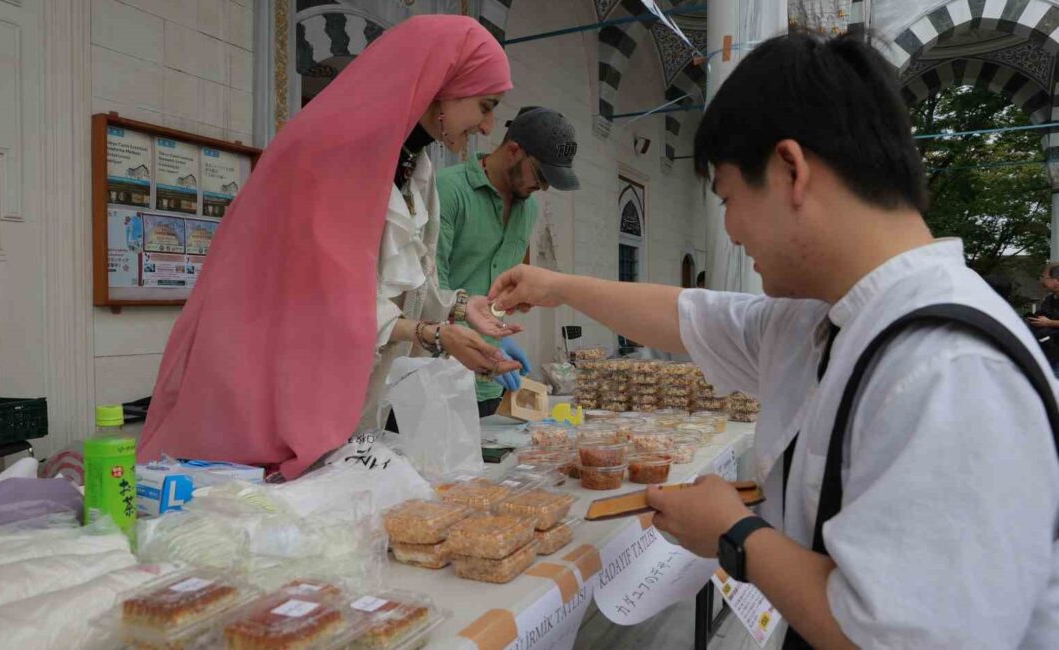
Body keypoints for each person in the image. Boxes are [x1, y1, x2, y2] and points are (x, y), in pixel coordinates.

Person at [488, 31, 1059, 648]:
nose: (729, 231)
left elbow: (903, 637)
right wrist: (559, 286)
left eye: (730, 199)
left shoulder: (950, 371)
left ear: (791, 170)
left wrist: (736, 536)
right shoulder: (829, 319)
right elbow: (689, 315)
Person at [139, 15, 523, 480]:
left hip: (349, 408)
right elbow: (322, 296)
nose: (487, 126)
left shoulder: (413, 168)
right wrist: (432, 335)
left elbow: (398, 283)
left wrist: (461, 308)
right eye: (485, 105)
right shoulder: (327, 152)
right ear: (443, 84)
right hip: (272, 401)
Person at [436, 106, 580, 415]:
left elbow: (496, 290)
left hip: (491, 377)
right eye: (541, 176)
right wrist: (477, 341)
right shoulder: (449, 190)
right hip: (437, 379)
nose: (542, 188)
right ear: (514, 150)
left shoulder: (527, 209)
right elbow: (430, 288)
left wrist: (516, 300)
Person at [1027, 263, 1059, 375]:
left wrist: (1049, 323)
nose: (1042, 282)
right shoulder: (1049, 299)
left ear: (1056, 280)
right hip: (1049, 352)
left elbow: (1047, 321)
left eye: (1044, 278)